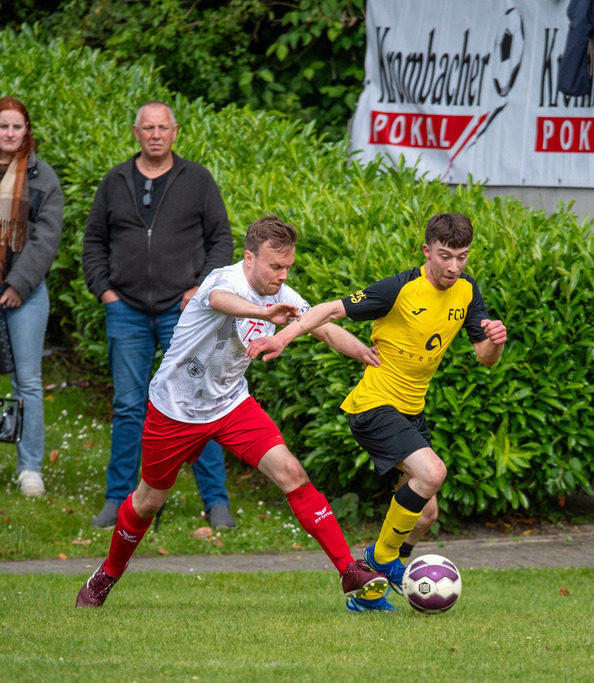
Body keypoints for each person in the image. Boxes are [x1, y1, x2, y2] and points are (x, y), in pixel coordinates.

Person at [75, 215, 389, 607]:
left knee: (292, 472)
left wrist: (362, 351)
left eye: (287, 267)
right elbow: (223, 303)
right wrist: (263, 315)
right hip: (175, 408)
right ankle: (107, 574)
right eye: (275, 266)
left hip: (230, 404)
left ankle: (349, 571)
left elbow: (322, 325)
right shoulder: (224, 281)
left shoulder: (283, 294)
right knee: (148, 501)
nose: (281, 275)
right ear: (249, 257)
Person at [247, 213, 507, 612]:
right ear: (427, 251)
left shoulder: (468, 292)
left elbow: (485, 358)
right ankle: (383, 562)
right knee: (432, 472)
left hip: (411, 411)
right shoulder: (399, 289)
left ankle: (368, 585)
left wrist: (496, 341)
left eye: (462, 257)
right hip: (374, 404)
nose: (454, 266)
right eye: (445, 256)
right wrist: (282, 337)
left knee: (425, 514)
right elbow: (329, 310)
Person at [82, 101, 235, 530]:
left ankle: (216, 502)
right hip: (126, 310)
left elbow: (220, 241)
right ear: (136, 133)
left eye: (162, 128)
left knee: (199, 403)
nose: (154, 134)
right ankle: (119, 500)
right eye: (147, 128)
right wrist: (106, 292)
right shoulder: (115, 180)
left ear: (175, 131)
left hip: (184, 313)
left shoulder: (198, 179)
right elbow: (93, 241)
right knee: (130, 406)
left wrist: (199, 292)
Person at [0, 97, 63, 497]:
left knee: (29, 382)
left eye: (16, 127)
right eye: (2, 127)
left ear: (27, 131)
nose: (9, 134)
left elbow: (46, 239)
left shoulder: (43, 177)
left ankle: (30, 470)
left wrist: (17, 285)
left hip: (26, 292)